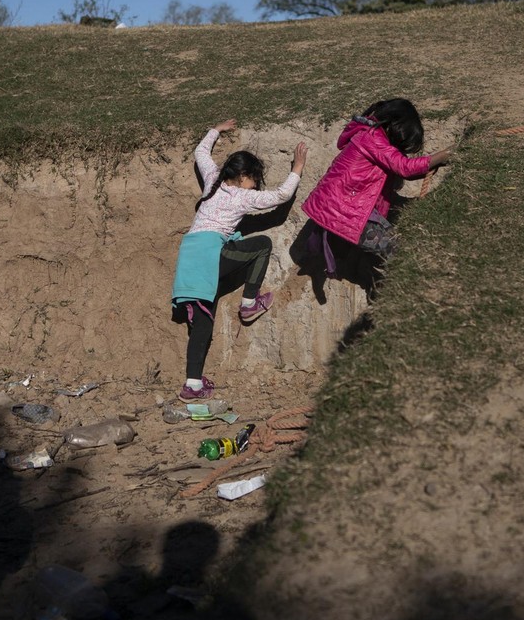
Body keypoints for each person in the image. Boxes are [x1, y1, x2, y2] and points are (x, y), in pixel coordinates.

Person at [170, 120, 307, 402]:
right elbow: (281, 196)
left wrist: (215, 131)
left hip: (188, 258)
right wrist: (296, 170)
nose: (255, 184)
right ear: (244, 176)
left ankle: (192, 385)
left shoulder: (212, 179)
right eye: (254, 179)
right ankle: (249, 304)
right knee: (262, 245)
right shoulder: (241, 197)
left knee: (202, 323)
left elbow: (200, 153)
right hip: (210, 253)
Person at [301, 99, 452, 273]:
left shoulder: (369, 135)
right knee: (398, 248)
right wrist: (445, 154)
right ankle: (411, 281)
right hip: (347, 210)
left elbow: (404, 169)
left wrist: (435, 163)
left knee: (395, 246)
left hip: (345, 207)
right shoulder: (372, 138)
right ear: (394, 126)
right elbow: (404, 167)